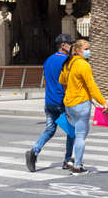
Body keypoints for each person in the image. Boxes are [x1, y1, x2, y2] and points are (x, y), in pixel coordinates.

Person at [59, 39, 108, 175]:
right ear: (78, 50)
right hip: (81, 104)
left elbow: (62, 81)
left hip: (69, 104)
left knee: (77, 133)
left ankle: (73, 158)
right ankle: (77, 167)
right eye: (86, 49)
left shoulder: (68, 63)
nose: (89, 51)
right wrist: (103, 102)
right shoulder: (83, 65)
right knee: (81, 135)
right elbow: (91, 86)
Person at [25, 34, 75, 172]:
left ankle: (34, 151)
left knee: (50, 129)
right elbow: (68, 83)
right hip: (62, 102)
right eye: (70, 43)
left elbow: (46, 81)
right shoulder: (67, 61)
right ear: (63, 45)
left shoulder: (48, 60)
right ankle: (67, 160)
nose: (72, 46)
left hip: (49, 102)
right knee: (72, 132)